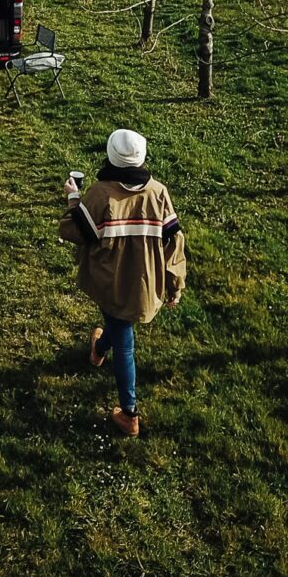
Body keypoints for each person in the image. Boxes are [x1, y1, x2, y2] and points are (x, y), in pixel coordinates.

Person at [59, 128, 187, 437]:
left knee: (125, 342)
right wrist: (175, 284)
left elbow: (72, 231)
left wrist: (74, 198)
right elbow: (174, 241)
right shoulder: (158, 192)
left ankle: (129, 413)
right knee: (116, 327)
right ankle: (99, 349)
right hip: (145, 281)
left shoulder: (100, 194)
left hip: (111, 282)